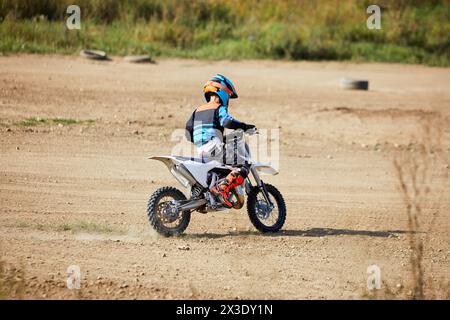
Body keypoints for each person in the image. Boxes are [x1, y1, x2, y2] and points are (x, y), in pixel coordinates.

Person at [185, 74, 255, 208]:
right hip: (214, 148)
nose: (228, 99)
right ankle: (222, 189)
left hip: (201, 150)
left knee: (220, 168)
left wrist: (211, 138)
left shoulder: (197, 110)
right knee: (244, 164)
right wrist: (245, 126)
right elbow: (226, 121)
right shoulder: (218, 107)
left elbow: (188, 133)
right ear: (222, 92)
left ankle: (209, 192)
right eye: (228, 96)